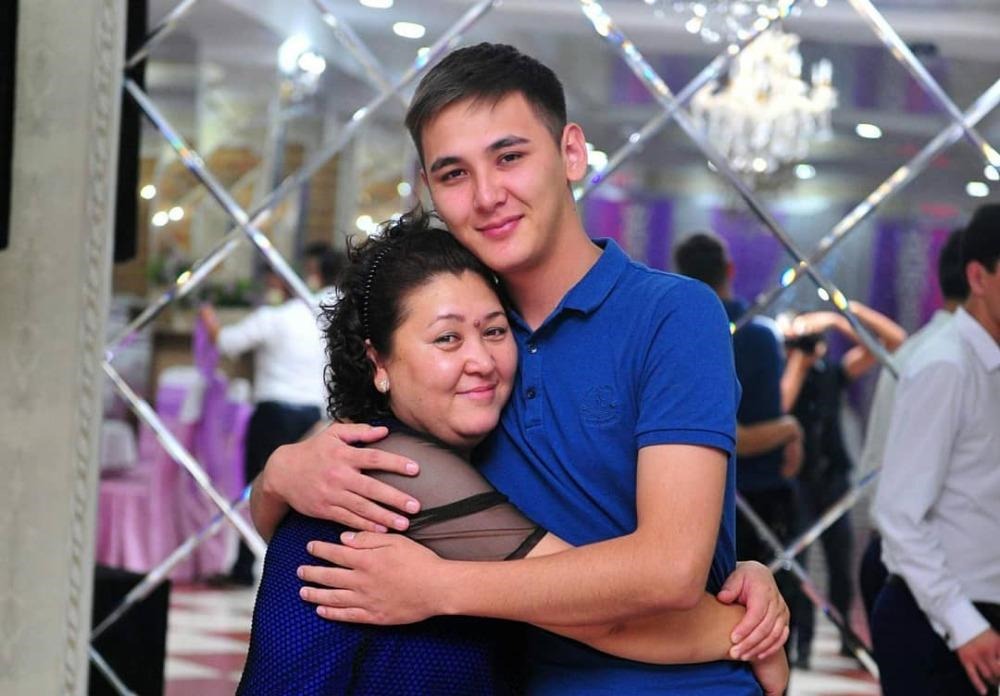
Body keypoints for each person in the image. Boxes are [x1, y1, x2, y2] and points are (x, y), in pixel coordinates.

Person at [254, 43, 789, 694]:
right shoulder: (458, 342)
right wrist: (278, 476)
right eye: (454, 174)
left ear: (571, 153)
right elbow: (355, 484)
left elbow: (670, 571)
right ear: (429, 189)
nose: (488, 196)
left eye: (509, 157)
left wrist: (441, 586)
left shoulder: (671, 314)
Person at [872, 204, 1000, 696]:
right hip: (938, 620)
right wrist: (963, 623)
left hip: (972, 613)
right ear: (978, 277)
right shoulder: (945, 364)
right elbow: (898, 514)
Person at [674, 231, 807, 660]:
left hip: (695, 503)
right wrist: (791, 428)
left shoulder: (676, 334)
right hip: (759, 498)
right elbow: (742, 436)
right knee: (766, 629)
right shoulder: (758, 335)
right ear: (729, 270)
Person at [779, 299, 906, 663]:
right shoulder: (783, 374)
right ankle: (800, 645)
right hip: (797, 483)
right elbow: (782, 404)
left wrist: (836, 319)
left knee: (841, 564)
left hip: (834, 479)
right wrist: (797, 361)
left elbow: (891, 343)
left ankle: (846, 637)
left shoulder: (833, 374)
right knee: (797, 567)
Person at [857, 227, 969, 627]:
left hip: (900, 560)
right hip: (927, 571)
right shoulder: (953, 361)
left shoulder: (916, 349)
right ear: (980, 278)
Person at [199, 266, 327, 585]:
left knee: (258, 489)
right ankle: (300, 568)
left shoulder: (273, 318)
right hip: (313, 416)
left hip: (274, 414)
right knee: (305, 495)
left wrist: (207, 317)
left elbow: (226, 342)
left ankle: (245, 566)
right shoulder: (321, 319)